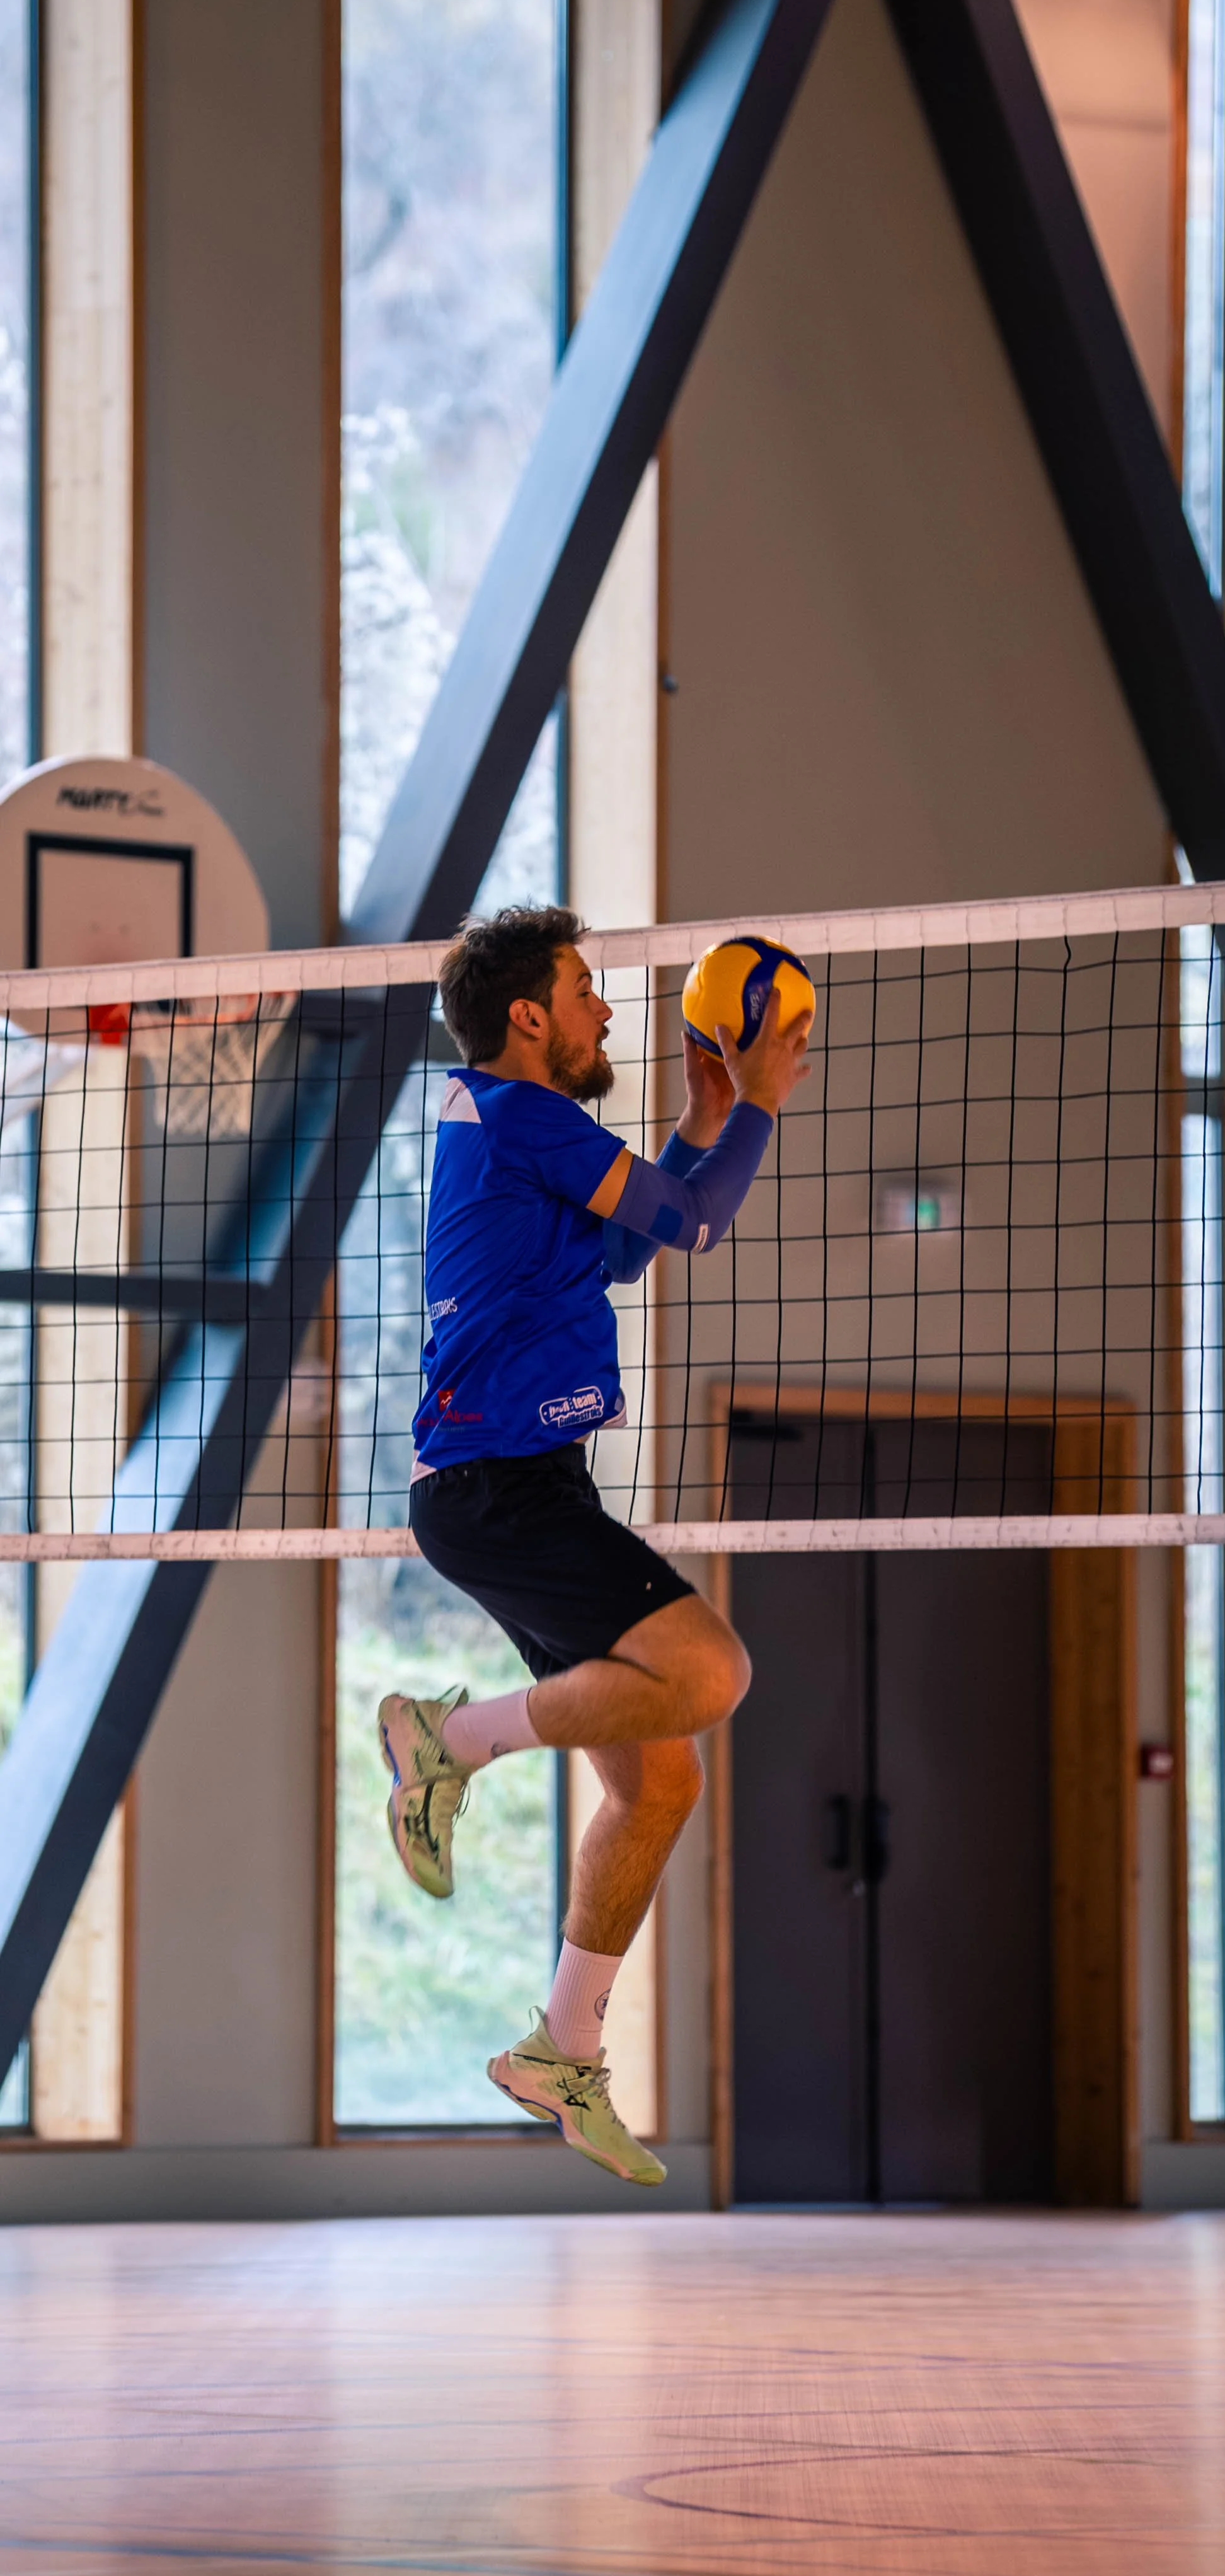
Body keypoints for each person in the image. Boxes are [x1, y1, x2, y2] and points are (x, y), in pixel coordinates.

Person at [377, 904, 810, 2185]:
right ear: (528, 1015)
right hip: (502, 1488)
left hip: (512, 1483)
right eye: (585, 987)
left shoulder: (512, 1129)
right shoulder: (523, 1116)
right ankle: (445, 1740)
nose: (609, 1008)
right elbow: (694, 1225)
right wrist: (764, 1101)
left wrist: (700, 1119)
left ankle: (558, 2051)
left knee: (659, 1782)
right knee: (716, 1670)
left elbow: (625, 1249)